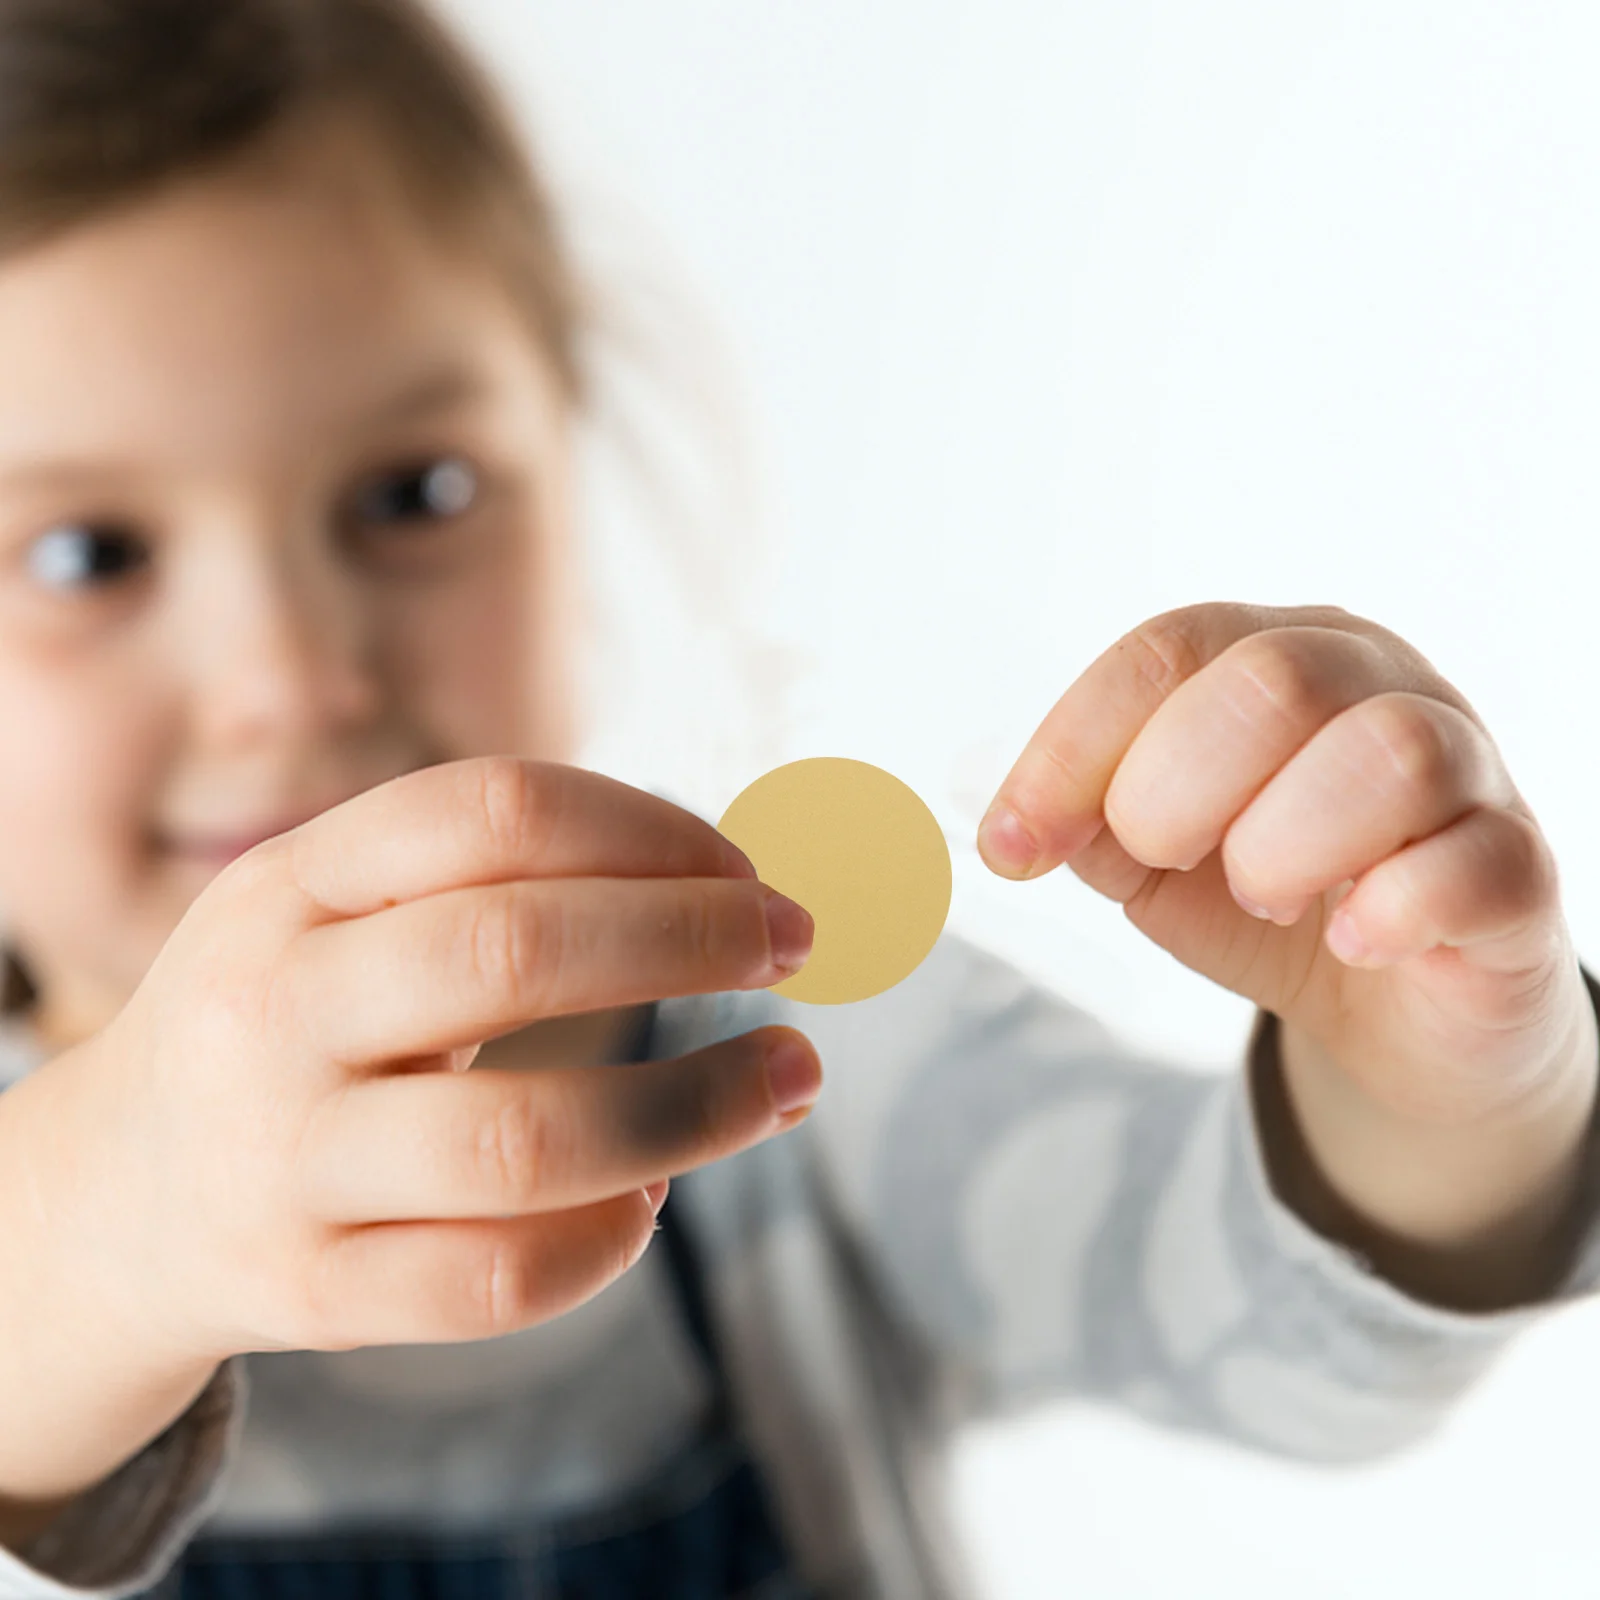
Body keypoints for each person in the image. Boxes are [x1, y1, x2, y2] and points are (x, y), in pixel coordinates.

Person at [0, 2, 1595, 1597]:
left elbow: (1287, 1345)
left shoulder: (800, 1061)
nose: (290, 674)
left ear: (568, 445)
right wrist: (107, 1222)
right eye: (84, 556)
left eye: (414, 495)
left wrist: (1444, 1090)